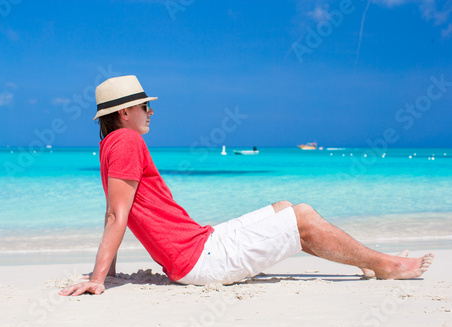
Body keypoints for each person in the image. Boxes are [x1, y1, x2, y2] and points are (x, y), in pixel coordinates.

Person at [59, 75, 434, 296]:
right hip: (198, 261)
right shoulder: (127, 142)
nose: (151, 111)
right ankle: (386, 265)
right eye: (145, 106)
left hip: (200, 243)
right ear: (124, 112)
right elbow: (115, 214)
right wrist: (98, 279)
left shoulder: (109, 146)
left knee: (283, 208)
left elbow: (121, 210)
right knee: (301, 217)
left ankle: (363, 260)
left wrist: (109, 272)